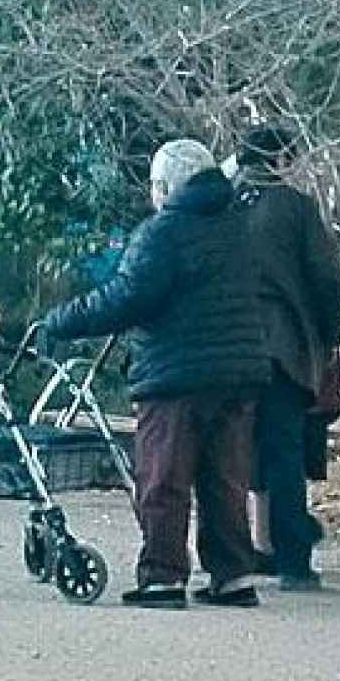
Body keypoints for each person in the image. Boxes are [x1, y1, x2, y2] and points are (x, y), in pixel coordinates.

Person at [39, 139, 274, 610]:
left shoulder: (163, 231)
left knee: (163, 479)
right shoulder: (240, 225)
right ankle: (233, 576)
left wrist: (60, 321)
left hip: (175, 374)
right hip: (238, 372)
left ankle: (163, 577)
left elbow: (127, 297)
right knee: (224, 479)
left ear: (166, 186)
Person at [222, 126, 340, 592]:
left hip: (227, 345)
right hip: (280, 348)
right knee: (284, 455)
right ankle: (294, 561)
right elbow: (325, 278)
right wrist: (330, 336)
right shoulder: (295, 208)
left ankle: (236, 553)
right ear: (282, 159)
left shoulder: (223, 203)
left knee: (229, 453)